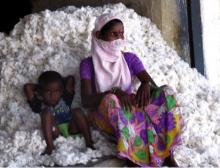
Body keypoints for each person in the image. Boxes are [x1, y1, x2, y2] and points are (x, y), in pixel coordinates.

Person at [80, 13, 183, 167]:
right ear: (99, 35)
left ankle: (167, 153)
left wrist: (146, 84)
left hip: (130, 109)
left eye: (121, 33)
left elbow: (153, 86)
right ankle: (133, 158)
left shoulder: (129, 59)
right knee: (111, 100)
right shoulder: (88, 64)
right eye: (114, 34)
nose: (119, 39)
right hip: (105, 115)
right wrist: (114, 91)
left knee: (166, 92)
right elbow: (86, 101)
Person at [24, 71, 94, 155]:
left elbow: (70, 79)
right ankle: (50, 147)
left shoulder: (65, 99)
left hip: (71, 128)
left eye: (56, 91)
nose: (52, 95)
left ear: (61, 91)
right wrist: (41, 87)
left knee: (77, 111)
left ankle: (89, 142)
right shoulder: (39, 105)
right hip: (55, 132)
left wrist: (57, 83)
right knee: (46, 113)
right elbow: (27, 87)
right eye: (48, 92)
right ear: (40, 92)